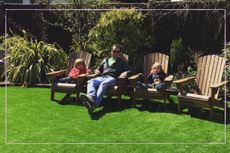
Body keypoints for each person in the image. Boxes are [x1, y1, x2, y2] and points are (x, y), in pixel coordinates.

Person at [80, 44, 132, 114]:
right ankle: (91, 97)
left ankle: (95, 104)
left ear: (120, 53)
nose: (116, 53)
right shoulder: (105, 60)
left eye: (118, 52)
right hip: (102, 77)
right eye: (114, 51)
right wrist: (96, 73)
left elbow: (131, 70)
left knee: (104, 84)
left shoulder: (122, 62)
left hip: (113, 79)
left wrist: (125, 72)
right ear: (111, 52)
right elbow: (98, 69)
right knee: (91, 81)